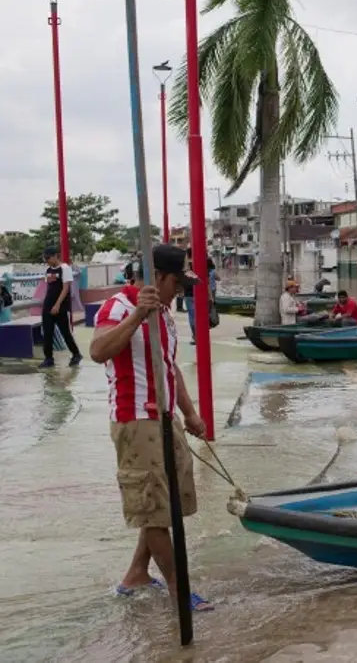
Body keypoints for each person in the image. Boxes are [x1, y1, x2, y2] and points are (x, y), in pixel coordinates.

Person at [89, 243, 212, 612]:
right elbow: (98, 352)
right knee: (152, 505)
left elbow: (169, 366)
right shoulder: (119, 307)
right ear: (158, 277)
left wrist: (189, 414)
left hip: (164, 418)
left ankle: (137, 575)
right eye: (177, 282)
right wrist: (136, 318)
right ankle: (178, 590)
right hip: (134, 419)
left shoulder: (163, 313)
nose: (180, 291)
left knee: (167, 502)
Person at [40, 246, 82, 368]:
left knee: (65, 332)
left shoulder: (65, 269)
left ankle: (76, 354)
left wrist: (57, 305)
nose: (47, 260)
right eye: (45, 258)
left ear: (55, 256)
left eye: (48, 258)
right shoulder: (48, 270)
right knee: (47, 332)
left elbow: (65, 288)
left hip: (61, 306)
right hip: (48, 304)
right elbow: (49, 287)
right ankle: (48, 358)